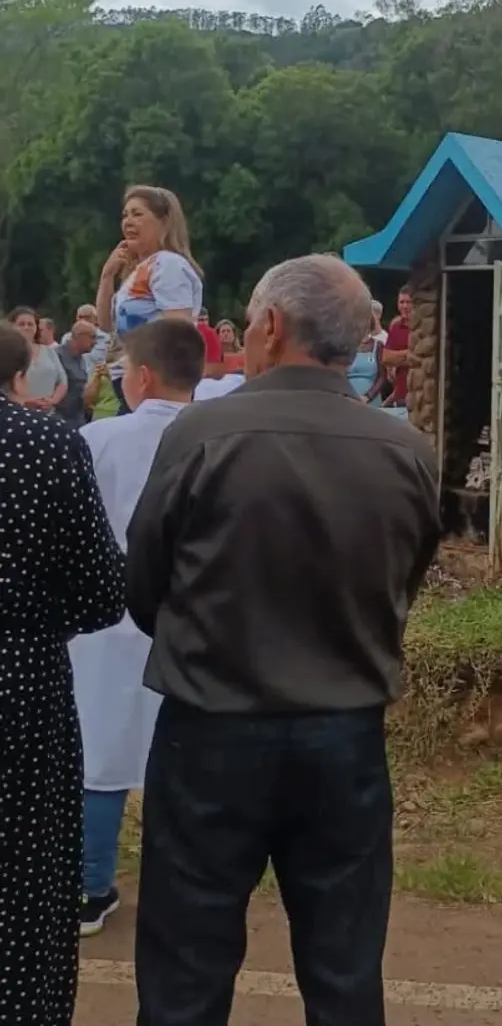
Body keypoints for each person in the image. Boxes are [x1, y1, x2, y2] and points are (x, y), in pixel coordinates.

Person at [125, 255, 441, 1026]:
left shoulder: (202, 432)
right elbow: (405, 582)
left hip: (211, 730)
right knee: (343, 972)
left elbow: (145, 587)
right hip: (344, 740)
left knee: (184, 972)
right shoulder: (408, 452)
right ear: (359, 337)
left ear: (268, 326)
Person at [0, 319, 125, 1025]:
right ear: (21, 379)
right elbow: (103, 594)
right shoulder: (46, 443)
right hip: (21, 685)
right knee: (26, 875)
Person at [70, 320, 206, 937]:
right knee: (182, 764)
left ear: (142, 375)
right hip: (193, 622)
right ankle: (184, 895)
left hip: (106, 624)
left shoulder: (97, 439)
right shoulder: (220, 437)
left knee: (100, 762)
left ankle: (90, 888)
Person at [95, 185, 203, 414]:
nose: (128, 222)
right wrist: (107, 275)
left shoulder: (167, 265)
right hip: (131, 379)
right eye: (125, 215)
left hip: (156, 384)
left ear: (163, 221)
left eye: (137, 214)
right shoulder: (138, 272)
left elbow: (178, 331)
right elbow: (105, 325)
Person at [7, 305, 68, 413]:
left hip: (48, 413)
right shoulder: (7, 353)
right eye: (21, 324)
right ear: (12, 326)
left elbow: (62, 381)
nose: (26, 327)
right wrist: (26, 401)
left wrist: (52, 401)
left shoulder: (49, 351)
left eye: (30, 324)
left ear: (36, 327)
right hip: (19, 413)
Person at [56, 319, 97, 427]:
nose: (95, 342)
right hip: (59, 420)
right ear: (79, 336)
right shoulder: (56, 357)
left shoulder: (82, 359)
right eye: (92, 337)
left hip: (78, 418)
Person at [380, 284, 412, 417]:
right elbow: (386, 358)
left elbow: (425, 358)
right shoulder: (396, 325)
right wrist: (410, 355)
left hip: (419, 397)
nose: (404, 306)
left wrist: (398, 359)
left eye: (409, 302)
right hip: (400, 396)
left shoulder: (424, 327)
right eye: (401, 302)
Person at [63, 303, 110, 369]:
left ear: (96, 319)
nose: (83, 320)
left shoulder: (107, 339)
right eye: (80, 317)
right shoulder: (67, 338)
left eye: (87, 317)